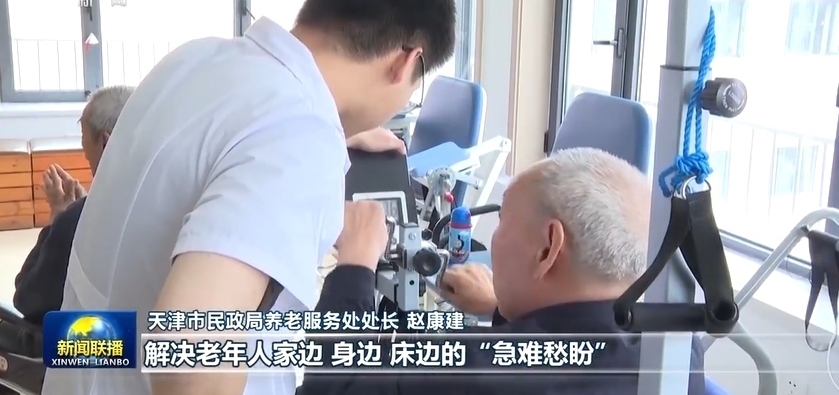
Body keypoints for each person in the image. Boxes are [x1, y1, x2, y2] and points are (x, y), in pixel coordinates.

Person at [40, 0, 455, 395]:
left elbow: (223, 135)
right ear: (405, 62)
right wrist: (313, 147)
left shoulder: (196, 59)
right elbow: (189, 364)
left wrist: (331, 133)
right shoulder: (298, 136)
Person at [299, 148, 706, 395]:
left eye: (502, 220)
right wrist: (503, 307)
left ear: (548, 248)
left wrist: (354, 265)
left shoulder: (467, 370)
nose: (494, 237)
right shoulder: (676, 352)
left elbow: (330, 388)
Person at [9, 85, 135, 328]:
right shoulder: (185, 202)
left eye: (84, 141)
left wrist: (60, 218)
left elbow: (27, 299)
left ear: (105, 143)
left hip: (117, 342)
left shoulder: (79, 219)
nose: (84, 151)